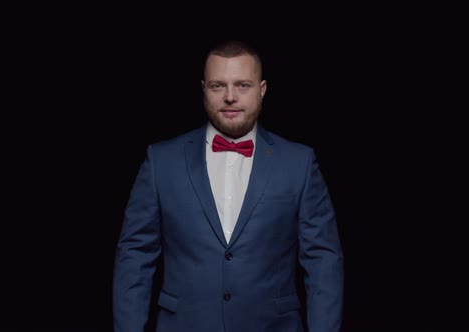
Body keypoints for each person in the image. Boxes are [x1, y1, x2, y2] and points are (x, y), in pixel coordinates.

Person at [113, 39, 344, 332]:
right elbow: (135, 255)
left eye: (243, 85)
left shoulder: (299, 162)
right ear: (203, 89)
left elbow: (323, 261)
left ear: (261, 90)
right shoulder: (161, 161)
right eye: (218, 86)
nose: (230, 97)